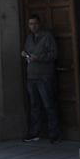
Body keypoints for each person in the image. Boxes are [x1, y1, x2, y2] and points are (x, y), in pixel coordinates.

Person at [21, 14, 60, 144]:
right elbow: (28, 53)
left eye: (35, 23)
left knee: (49, 105)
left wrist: (38, 57)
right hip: (31, 76)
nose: (33, 26)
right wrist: (25, 54)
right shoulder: (29, 38)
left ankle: (54, 134)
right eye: (31, 24)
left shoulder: (47, 36)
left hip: (44, 77)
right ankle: (34, 133)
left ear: (40, 23)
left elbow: (53, 53)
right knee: (35, 106)